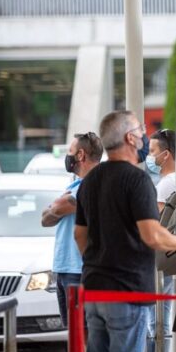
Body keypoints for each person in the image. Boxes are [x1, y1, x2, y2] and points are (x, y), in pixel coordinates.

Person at [74, 111, 176, 352]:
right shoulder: (137, 179)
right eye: (139, 130)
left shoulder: (90, 180)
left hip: (94, 287)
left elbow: (80, 235)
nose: (143, 134)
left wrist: (98, 261)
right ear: (130, 138)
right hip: (127, 290)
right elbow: (151, 235)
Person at [41, 132, 102, 328]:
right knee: (74, 336)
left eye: (70, 152)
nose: (68, 158)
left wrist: (56, 207)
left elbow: (57, 209)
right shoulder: (75, 185)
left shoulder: (95, 184)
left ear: (81, 155)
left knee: (84, 337)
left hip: (80, 272)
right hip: (65, 271)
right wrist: (56, 207)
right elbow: (45, 219)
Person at [145, 128, 176, 352]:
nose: (150, 156)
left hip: (160, 257)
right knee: (162, 317)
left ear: (165, 154)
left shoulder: (167, 184)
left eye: (152, 151)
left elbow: (156, 224)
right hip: (172, 255)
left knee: (155, 320)